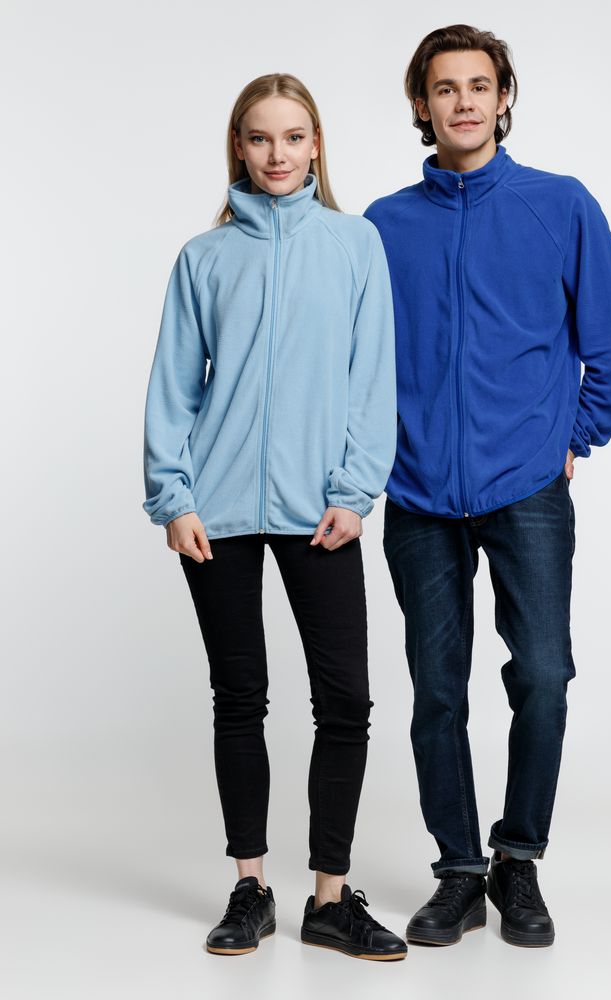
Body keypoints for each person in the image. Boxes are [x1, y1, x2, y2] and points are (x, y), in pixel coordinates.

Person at [364, 25, 611, 948]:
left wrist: (577, 434)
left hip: (526, 487)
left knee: (545, 676)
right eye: (445, 88)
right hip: (418, 495)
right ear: (422, 104)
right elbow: (354, 359)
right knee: (437, 691)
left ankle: (518, 859)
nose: (464, 102)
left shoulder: (558, 204)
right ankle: (458, 873)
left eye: (479, 85)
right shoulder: (383, 225)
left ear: (503, 97)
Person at [142, 73, 406, 961]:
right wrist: (174, 498)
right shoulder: (204, 257)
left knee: (345, 700)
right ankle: (250, 888)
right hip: (215, 511)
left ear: (317, 144)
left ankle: (329, 900)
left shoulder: (355, 243)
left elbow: (372, 376)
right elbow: (174, 386)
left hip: (320, 509)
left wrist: (354, 491)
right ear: (239, 148)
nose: (278, 153)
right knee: (239, 697)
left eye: (294, 137)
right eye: (260, 138)